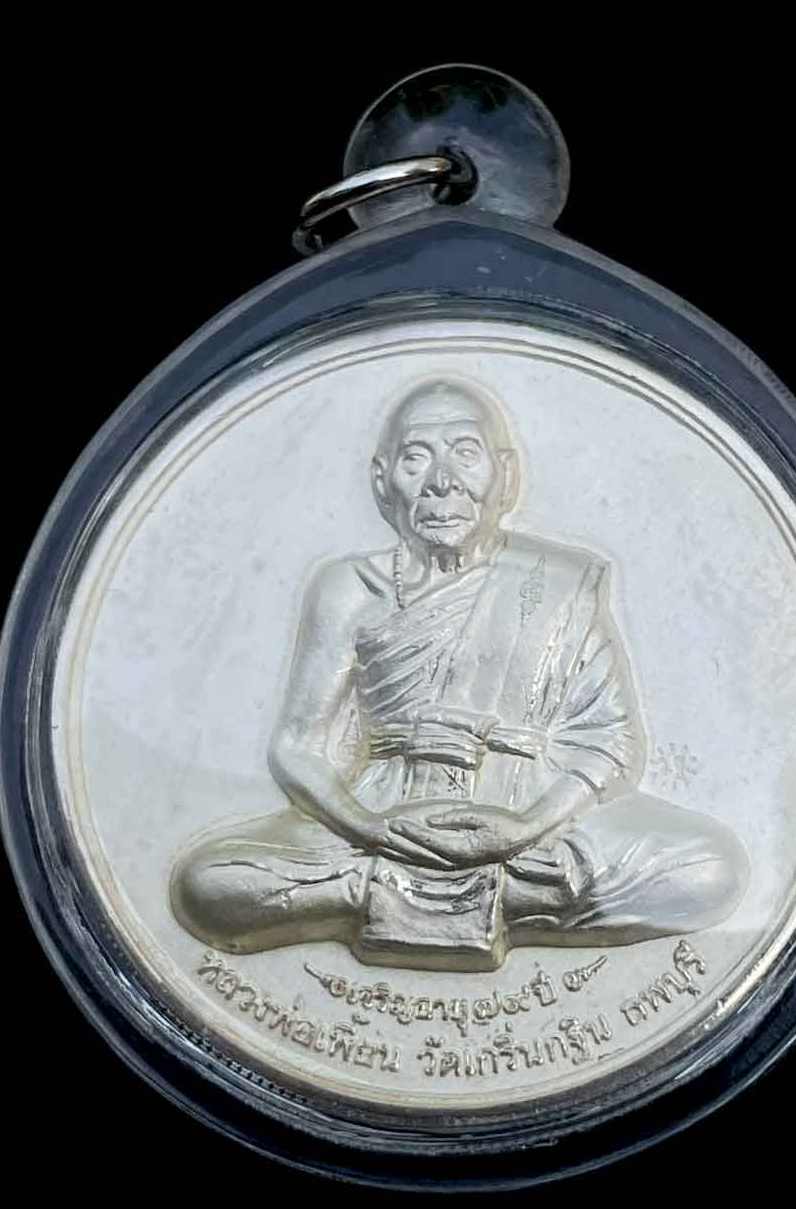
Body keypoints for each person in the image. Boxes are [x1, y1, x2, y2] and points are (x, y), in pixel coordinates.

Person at [171, 376, 748, 970]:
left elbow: (610, 743)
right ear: (382, 481)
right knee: (208, 882)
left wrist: (524, 828)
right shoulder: (347, 588)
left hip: (525, 819)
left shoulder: (557, 579)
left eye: (465, 454)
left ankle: (399, 892)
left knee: (709, 867)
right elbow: (297, 747)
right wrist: (369, 828)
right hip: (381, 816)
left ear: (505, 475)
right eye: (416, 458)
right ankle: (435, 889)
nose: (441, 481)